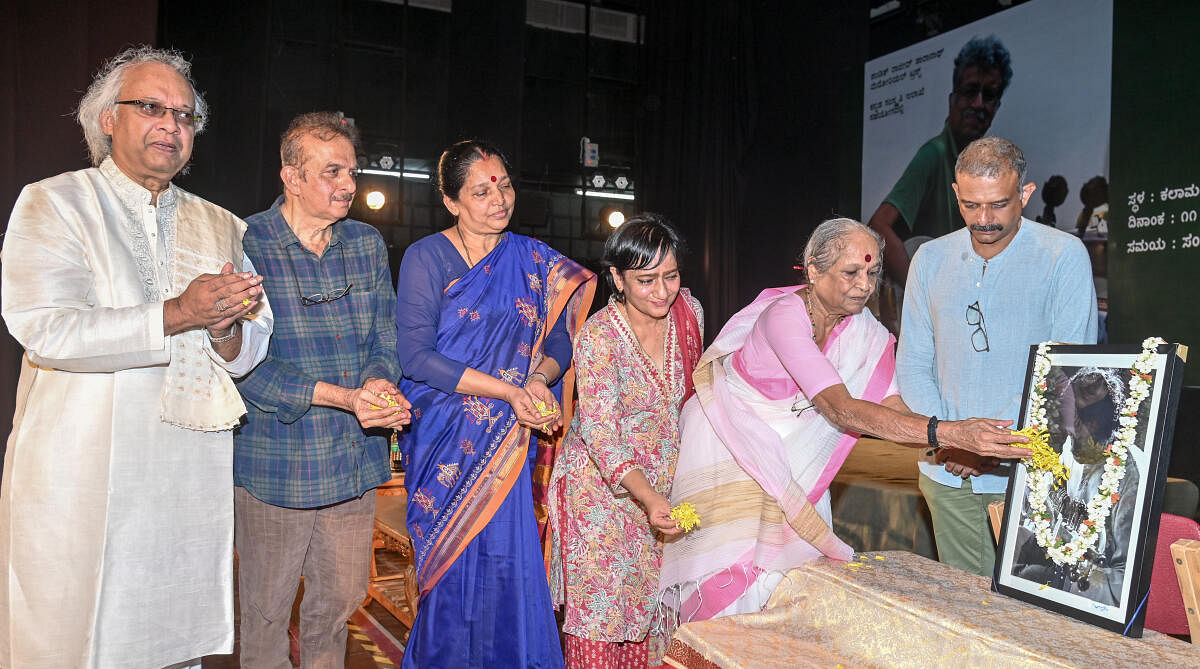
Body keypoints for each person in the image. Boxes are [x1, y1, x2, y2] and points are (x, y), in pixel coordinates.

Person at [0, 46, 272, 668]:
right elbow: (47, 329)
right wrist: (179, 313)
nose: (170, 125)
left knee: (172, 638)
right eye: (151, 107)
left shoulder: (220, 225)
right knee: (76, 636)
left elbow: (252, 340)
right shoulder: (55, 203)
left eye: (184, 116)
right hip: (82, 468)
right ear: (106, 120)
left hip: (183, 474)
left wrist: (227, 329)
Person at [658, 218, 1030, 622]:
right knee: (733, 580)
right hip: (729, 454)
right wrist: (949, 432)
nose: (865, 285)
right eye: (851, 272)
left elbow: (894, 407)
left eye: (872, 273)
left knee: (785, 581)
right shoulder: (785, 316)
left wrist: (952, 440)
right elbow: (839, 408)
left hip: (793, 470)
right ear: (814, 270)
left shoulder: (864, 330)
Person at [395, 140, 596, 668]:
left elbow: (559, 339)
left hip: (509, 439)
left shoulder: (532, 260)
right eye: (481, 191)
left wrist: (537, 379)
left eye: (504, 185)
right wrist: (509, 391)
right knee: (450, 569)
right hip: (446, 438)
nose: (498, 199)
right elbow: (415, 357)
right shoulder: (427, 257)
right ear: (452, 201)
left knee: (509, 564)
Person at [233, 112, 410, 667]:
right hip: (275, 467)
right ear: (290, 175)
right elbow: (242, 366)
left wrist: (380, 380)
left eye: (352, 171)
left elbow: (387, 334)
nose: (349, 185)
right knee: (264, 617)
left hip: (351, 468)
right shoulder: (246, 242)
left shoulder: (365, 243)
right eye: (332, 171)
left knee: (335, 609)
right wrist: (346, 398)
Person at [898, 136, 1097, 578]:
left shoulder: (1063, 256)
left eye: (999, 205)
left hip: (1032, 473)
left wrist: (986, 447)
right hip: (946, 473)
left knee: (1032, 617)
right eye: (970, 205)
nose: (983, 220)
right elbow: (912, 365)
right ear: (956, 194)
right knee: (969, 615)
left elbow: (1066, 371)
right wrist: (953, 439)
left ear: (1025, 194)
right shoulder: (928, 260)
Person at [547, 214, 703, 668]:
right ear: (616, 277)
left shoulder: (687, 316)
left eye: (670, 276)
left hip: (663, 492)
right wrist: (648, 496)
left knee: (653, 617)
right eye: (646, 280)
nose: (661, 291)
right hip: (599, 497)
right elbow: (601, 435)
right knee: (603, 620)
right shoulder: (599, 338)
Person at [868, 36, 1013, 330]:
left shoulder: (979, 170)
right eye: (970, 91)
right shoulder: (933, 155)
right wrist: (923, 296)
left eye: (990, 96)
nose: (978, 104)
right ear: (953, 99)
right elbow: (877, 225)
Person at [1012, 367, 1138, 606]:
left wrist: (1065, 580)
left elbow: (1123, 580)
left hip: (1088, 597)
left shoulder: (1127, 479)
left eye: (1078, 422)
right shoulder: (1064, 451)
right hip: (1048, 580)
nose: (1068, 430)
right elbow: (1032, 518)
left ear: (1103, 425)